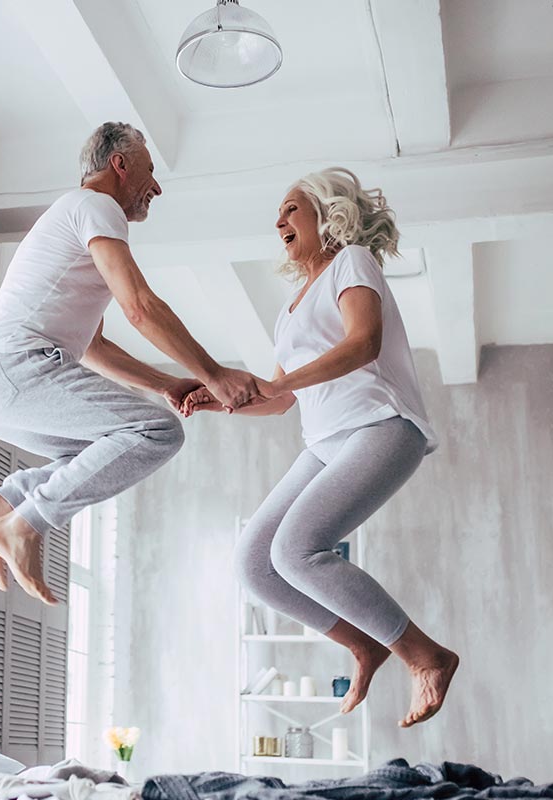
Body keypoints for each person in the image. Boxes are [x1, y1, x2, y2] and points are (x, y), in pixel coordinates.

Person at [184, 167, 459, 728]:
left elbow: (364, 342)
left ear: (327, 213)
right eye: (278, 214)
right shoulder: (290, 308)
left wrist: (276, 384)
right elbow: (281, 399)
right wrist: (219, 401)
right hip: (324, 442)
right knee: (254, 563)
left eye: (290, 208)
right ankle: (365, 643)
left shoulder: (352, 261)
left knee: (295, 550)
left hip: (381, 426)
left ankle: (425, 655)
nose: (278, 221)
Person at [0, 122, 263, 605]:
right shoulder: (96, 206)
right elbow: (140, 306)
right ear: (120, 164)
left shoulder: (75, 217)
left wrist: (165, 384)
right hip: (12, 366)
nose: (156, 187)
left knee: (100, 452)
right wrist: (215, 374)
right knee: (158, 432)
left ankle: (2, 503)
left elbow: (94, 347)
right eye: (150, 172)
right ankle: (25, 524)